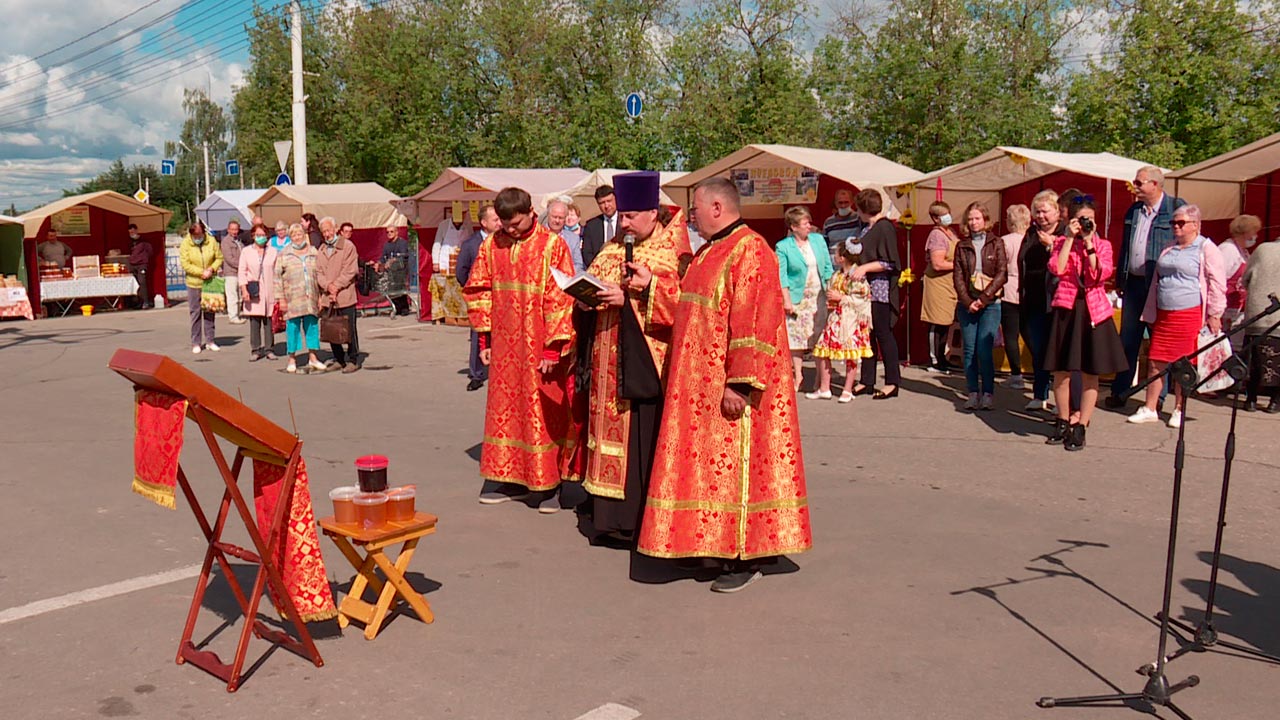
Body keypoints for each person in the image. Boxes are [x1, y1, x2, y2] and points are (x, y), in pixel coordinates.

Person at [637, 176, 811, 593]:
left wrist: (741, 383)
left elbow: (755, 321)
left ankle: (744, 556)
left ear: (717, 208)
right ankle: (710, 546)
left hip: (729, 389)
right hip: (696, 391)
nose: (690, 216)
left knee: (738, 473)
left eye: (695, 209)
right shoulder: (710, 251)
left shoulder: (751, 251)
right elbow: (687, 307)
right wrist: (651, 288)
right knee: (708, 473)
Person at [579, 171, 683, 540]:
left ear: (652, 214)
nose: (623, 223)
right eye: (621, 215)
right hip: (605, 363)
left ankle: (637, 520)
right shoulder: (610, 249)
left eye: (631, 216)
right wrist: (585, 295)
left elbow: (681, 306)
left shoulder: (670, 252)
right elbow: (591, 283)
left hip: (644, 365)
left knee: (640, 440)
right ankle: (606, 518)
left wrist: (631, 300)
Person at [462, 187, 576, 514]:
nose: (510, 230)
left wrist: (554, 349)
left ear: (530, 212)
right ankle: (509, 479)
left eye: (516, 223)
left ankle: (550, 485)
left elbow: (560, 299)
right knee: (506, 412)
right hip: (505, 347)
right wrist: (484, 340)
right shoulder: (491, 245)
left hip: (541, 347)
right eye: (505, 224)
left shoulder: (552, 246)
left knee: (544, 412)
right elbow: (479, 289)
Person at [1128, 205, 1225, 428]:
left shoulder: (1206, 248)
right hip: (1164, 314)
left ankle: (1180, 408)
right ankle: (1150, 407)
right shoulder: (1169, 247)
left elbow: (1218, 283)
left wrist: (1215, 313)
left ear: (1195, 224)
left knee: (1184, 364)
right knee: (1155, 361)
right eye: (1173, 223)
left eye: (1181, 223)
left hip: (1189, 314)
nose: (1176, 227)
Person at [1044, 197, 1127, 450]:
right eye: (1081, 219)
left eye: (1089, 219)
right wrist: (1069, 237)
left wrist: (1090, 243)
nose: (1085, 223)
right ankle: (1062, 419)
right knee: (1061, 371)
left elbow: (1100, 274)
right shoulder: (1060, 242)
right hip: (1067, 308)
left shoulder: (1103, 245)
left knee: (1091, 372)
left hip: (1094, 309)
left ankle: (1081, 425)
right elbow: (1056, 269)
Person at [1107, 166, 1187, 408]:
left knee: (1159, 341)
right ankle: (1121, 390)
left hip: (1160, 285)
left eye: (1139, 182)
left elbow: (1186, 243)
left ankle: (1158, 397)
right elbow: (1125, 246)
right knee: (1128, 339)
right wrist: (1120, 279)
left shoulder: (1175, 208)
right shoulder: (1134, 210)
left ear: (1155, 184)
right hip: (1133, 283)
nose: (1135, 186)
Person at [952, 202, 1008, 411]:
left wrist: (983, 299)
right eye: (971, 219)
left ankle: (988, 393)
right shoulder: (962, 245)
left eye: (977, 218)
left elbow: (1002, 273)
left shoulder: (996, 242)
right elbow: (957, 277)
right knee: (969, 350)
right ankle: (973, 391)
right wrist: (968, 301)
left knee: (984, 349)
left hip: (991, 303)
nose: (974, 222)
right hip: (967, 303)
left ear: (985, 220)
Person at [850, 189, 902, 399]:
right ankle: (867, 380)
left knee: (883, 334)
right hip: (865, 290)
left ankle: (892, 382)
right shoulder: (868, 228)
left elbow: (891, 262)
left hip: (879, 290)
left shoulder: (884, 227)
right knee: (867, 335)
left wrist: (866, 267)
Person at [775, 206, 834, 391]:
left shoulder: (818, 240)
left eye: (809, 222)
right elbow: (782, 276)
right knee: (796, 338)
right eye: (805, 223)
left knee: (819, 337)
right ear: (793, 227)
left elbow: (827, 267)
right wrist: (786, 300)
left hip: (819, 295)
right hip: (798, 297)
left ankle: (820, 377)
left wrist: (831, 289)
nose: (809, 226)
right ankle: (798, 374)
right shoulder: (783, 246)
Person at [810, 239, 873, 402]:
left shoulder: (857, 275)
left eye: (836, 254)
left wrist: (842, 297)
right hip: (836, 318)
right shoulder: (837, 274)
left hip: (851, 321)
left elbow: (863, 298)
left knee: (851, 354)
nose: (834, 257)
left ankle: (847, 389)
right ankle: (824, 387)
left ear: (843, 257)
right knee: (822, 350)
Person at [1019, 190, 1060, 412]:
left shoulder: (1064, 234)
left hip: (1056, 300)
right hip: (1033, 299)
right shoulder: (1031, 233)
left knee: (1057, 351)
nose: (1041, 216)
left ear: (1056, 212)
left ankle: (1061, 398)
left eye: (1045, 211)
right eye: (1037, 211)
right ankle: (1039, 393)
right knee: (1038, 348)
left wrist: (1051, 245)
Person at [456, 205, 500, 391]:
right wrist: (474, 292)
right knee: (478, 336)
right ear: (484, 223)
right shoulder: (471, 244)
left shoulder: (504, 241)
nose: (499, 223)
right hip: (481, 300)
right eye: (495, 220)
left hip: (501, 297)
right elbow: (461, 271)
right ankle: (476, 374)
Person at [275, 223, 326, 374]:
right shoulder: (284, 254)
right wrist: (281, 299)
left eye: (300, 234)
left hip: (311, 296)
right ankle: (292, 358)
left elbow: (320, 274)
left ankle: (313, 357)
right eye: (294, 235)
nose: (298, 238)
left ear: (304, 235)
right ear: (290, 237)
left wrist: (321, 296)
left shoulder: (313, 251)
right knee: (293, 328)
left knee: (312, 327)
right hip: (292, 299)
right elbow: (277, 278)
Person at [1242, 231, 1280, 412]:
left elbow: (1246, 278)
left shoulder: (1262, 249)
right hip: (1278, 318)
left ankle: (1250, 399)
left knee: (1253, 358)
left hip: (1257, 311)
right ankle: (1275, 401)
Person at [317, 219, 362, 373]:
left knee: (349, 328)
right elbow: (318, 273)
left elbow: (351, 270)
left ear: (336, 229)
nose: (327, 234)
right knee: (331, 328)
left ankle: (353, 359)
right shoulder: (321, 249)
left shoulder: (348, 246)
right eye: (324, 232)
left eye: (329, 230)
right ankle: (339, 358)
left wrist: (336, 286)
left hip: (345, 295)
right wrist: (328, 286)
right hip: (328, 296)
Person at [920, 202, 959, 373]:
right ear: (935, 218)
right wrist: (959, 265)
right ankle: (935, 360)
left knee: (946, 321)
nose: (947, 217)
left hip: (949, 284)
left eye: (948, 213)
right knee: (937, 322)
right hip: (937, 283)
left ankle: (943, 357)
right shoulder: (936, 235)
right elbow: (937, 263)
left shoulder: (950, 232)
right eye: (944, 214)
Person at [178, 221, 222, 354]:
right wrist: (200, 272)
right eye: (195, 236)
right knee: (195, 313)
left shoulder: (212, 241)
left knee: (210, 311)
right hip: (194, 282)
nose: (198, 238)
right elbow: (185, 264)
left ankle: (210, 340)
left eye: (200, 235)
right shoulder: (186, 244)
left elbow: (219, 257)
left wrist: (211, 269)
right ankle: (196, 342)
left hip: (210, 281)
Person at [1000, 205, 1031, 388]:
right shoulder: (1031, 239)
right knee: (1028, 333)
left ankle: (1016, 374)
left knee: (1010, 335)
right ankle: (1042, 370)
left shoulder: (1005, 241)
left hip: (1009, 289)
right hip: (1027, 290)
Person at [239, 224, 278, 362]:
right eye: (258, 235)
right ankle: (255, 349)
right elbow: (242, 271)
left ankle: (269, 349)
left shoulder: (272, 251)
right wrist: (244, 289)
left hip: (269, 290)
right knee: (254, 321)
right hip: (253, 289)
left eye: (263, 235)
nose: (260, 238)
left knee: (269, 321)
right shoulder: (246, 251)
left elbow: (277, 271)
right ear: (253, 236)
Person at [1221, 214, 1259, 335]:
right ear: (1244, 233)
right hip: (1225, 307)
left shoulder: (1244, 252)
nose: (1255, 236)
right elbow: (1218, 279)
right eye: (1253, 233)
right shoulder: (1227, 249)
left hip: (1237, 308)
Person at [821, 188, 865, 263]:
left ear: (851, 202)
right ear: (835, 203)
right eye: (840, 203)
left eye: (846, 202)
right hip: (834, 264)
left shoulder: (859, 219)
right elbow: (824, 244)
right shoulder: (828, 222)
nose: (843, 205)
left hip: (853, 264)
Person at [580, 184, 618, 270]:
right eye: (602, 203)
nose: (606, 206)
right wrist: (598, 267)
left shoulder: (625, 222)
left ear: (616, 199)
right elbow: (587, 253)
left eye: (609, 201)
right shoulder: (591, 225)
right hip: (598, 270)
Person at [377, 224, 412, 316]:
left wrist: (392, 261)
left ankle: (404, 308)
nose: (389, 233)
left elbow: (402, 255)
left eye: (391, 231)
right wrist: (378, 263)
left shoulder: (402, 243)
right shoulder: (387, 245)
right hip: (390, 271)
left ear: (396, 232)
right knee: (391, 288)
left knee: (400, 287)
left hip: (400, 269)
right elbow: (383, 257)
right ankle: (397, 307)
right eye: (387, 232)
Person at [545, 198, 585, 272]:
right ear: (548, 215)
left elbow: (579, 264)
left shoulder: (573, 238)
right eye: (554, 217)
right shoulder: (538, 234)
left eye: (560, 218)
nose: (557, 221)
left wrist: (565, 273)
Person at [221, 220, 246, 325]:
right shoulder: (226, 242)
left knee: (240, 295)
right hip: (231, 272)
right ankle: (233, 316)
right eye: (232, 229)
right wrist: (242, 265)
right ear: (228, 230)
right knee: (232, 295)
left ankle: (237, 314)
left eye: (236, 229)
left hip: (240, 273)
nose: (234, 231)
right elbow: (229, 259)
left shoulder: (239, 241)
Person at [433, 208, 472, 273]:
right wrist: (435, 262)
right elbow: (437, 243)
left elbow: (471, 242)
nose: (462, 216)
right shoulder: (443, 224)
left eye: (463, 214)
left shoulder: (468, 225)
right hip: (446, 259)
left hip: (462, 258)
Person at [127, 223, 153, 309]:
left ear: (136, 230)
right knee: (135, 284)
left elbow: (150, 251)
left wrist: (144, 260)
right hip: (132, 265)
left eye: (133, 231)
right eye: (130, 232)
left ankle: (145, 302)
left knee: (142, 282)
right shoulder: (129, 241)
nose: (132, 233)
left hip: (142, 264)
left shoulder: (143, 241)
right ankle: (138, 301)